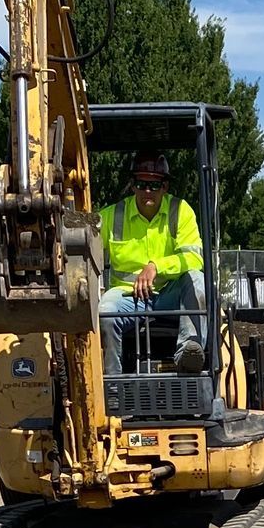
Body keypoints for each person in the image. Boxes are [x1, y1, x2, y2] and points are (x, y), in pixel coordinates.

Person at [98, 152, 205, 375]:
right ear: (133, 185)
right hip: (128, 297)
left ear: (165, 186)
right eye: (141, 184)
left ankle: (188, 353)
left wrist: (156, 266)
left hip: (169, 293)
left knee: (197, 279)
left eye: (154, 185)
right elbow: (85, 247)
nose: (148, 191)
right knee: (105, 312)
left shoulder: (180, 211)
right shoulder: (111, 216)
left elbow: (195, 257)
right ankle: (112, 384)